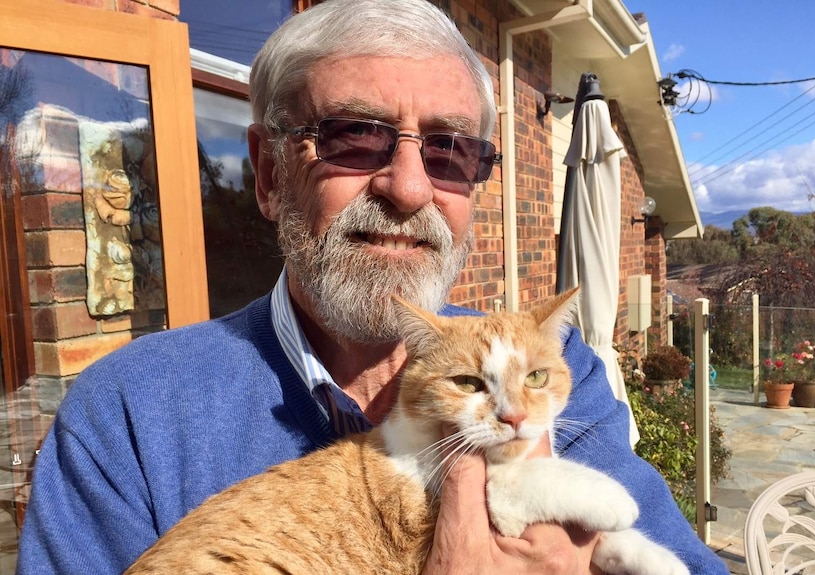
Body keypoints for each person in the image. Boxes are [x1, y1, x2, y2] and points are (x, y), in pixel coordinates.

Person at [17, 0, 728, 573]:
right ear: (268, 174)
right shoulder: (125, 415)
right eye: (355, 135)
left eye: (450, 150)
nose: (409, 187)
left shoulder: (557, 375)